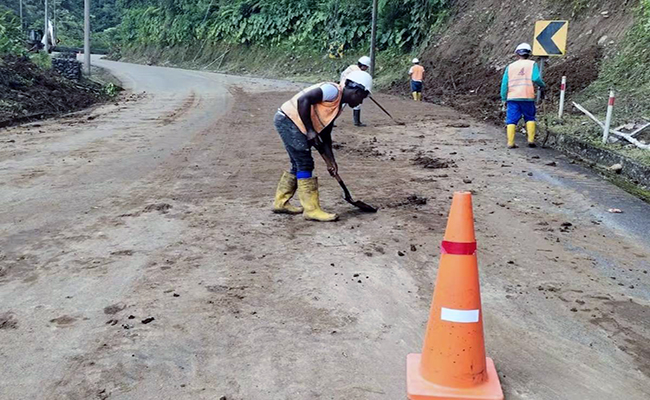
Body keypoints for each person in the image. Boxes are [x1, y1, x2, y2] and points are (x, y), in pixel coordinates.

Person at [272, 71, 373, 222]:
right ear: (357, 91)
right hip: (289, 120)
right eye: (362, 98)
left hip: (291, 121)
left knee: (297, 163)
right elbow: (303, 100)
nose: (360, 103)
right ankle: (311, 210)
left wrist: (330, 161)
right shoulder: (332, 91)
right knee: (305, 163)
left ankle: (280, 202)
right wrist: (310, 130)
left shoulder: (338, 105)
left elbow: (325, 134)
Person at [500, 43, 546, 148]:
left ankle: (510, 143)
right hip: (527, 96)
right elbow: (536, 79)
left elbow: (504, 84)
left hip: (512, 97)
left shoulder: (510, 67)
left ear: (517, 54)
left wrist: (503, 98)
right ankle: (530, 140)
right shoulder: (532, 64)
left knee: (511, 120)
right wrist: (542, 85)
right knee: (530, 117)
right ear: (529, 53)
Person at [340, 56, 371, 126]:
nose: (366, 69)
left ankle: (331, 121)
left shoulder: (352, 67)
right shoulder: (358, 72)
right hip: (348, 89)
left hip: (344, 86)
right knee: (355, 104)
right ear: (363, 65)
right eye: (366, 67)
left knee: (341, 105)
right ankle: (357, 122)